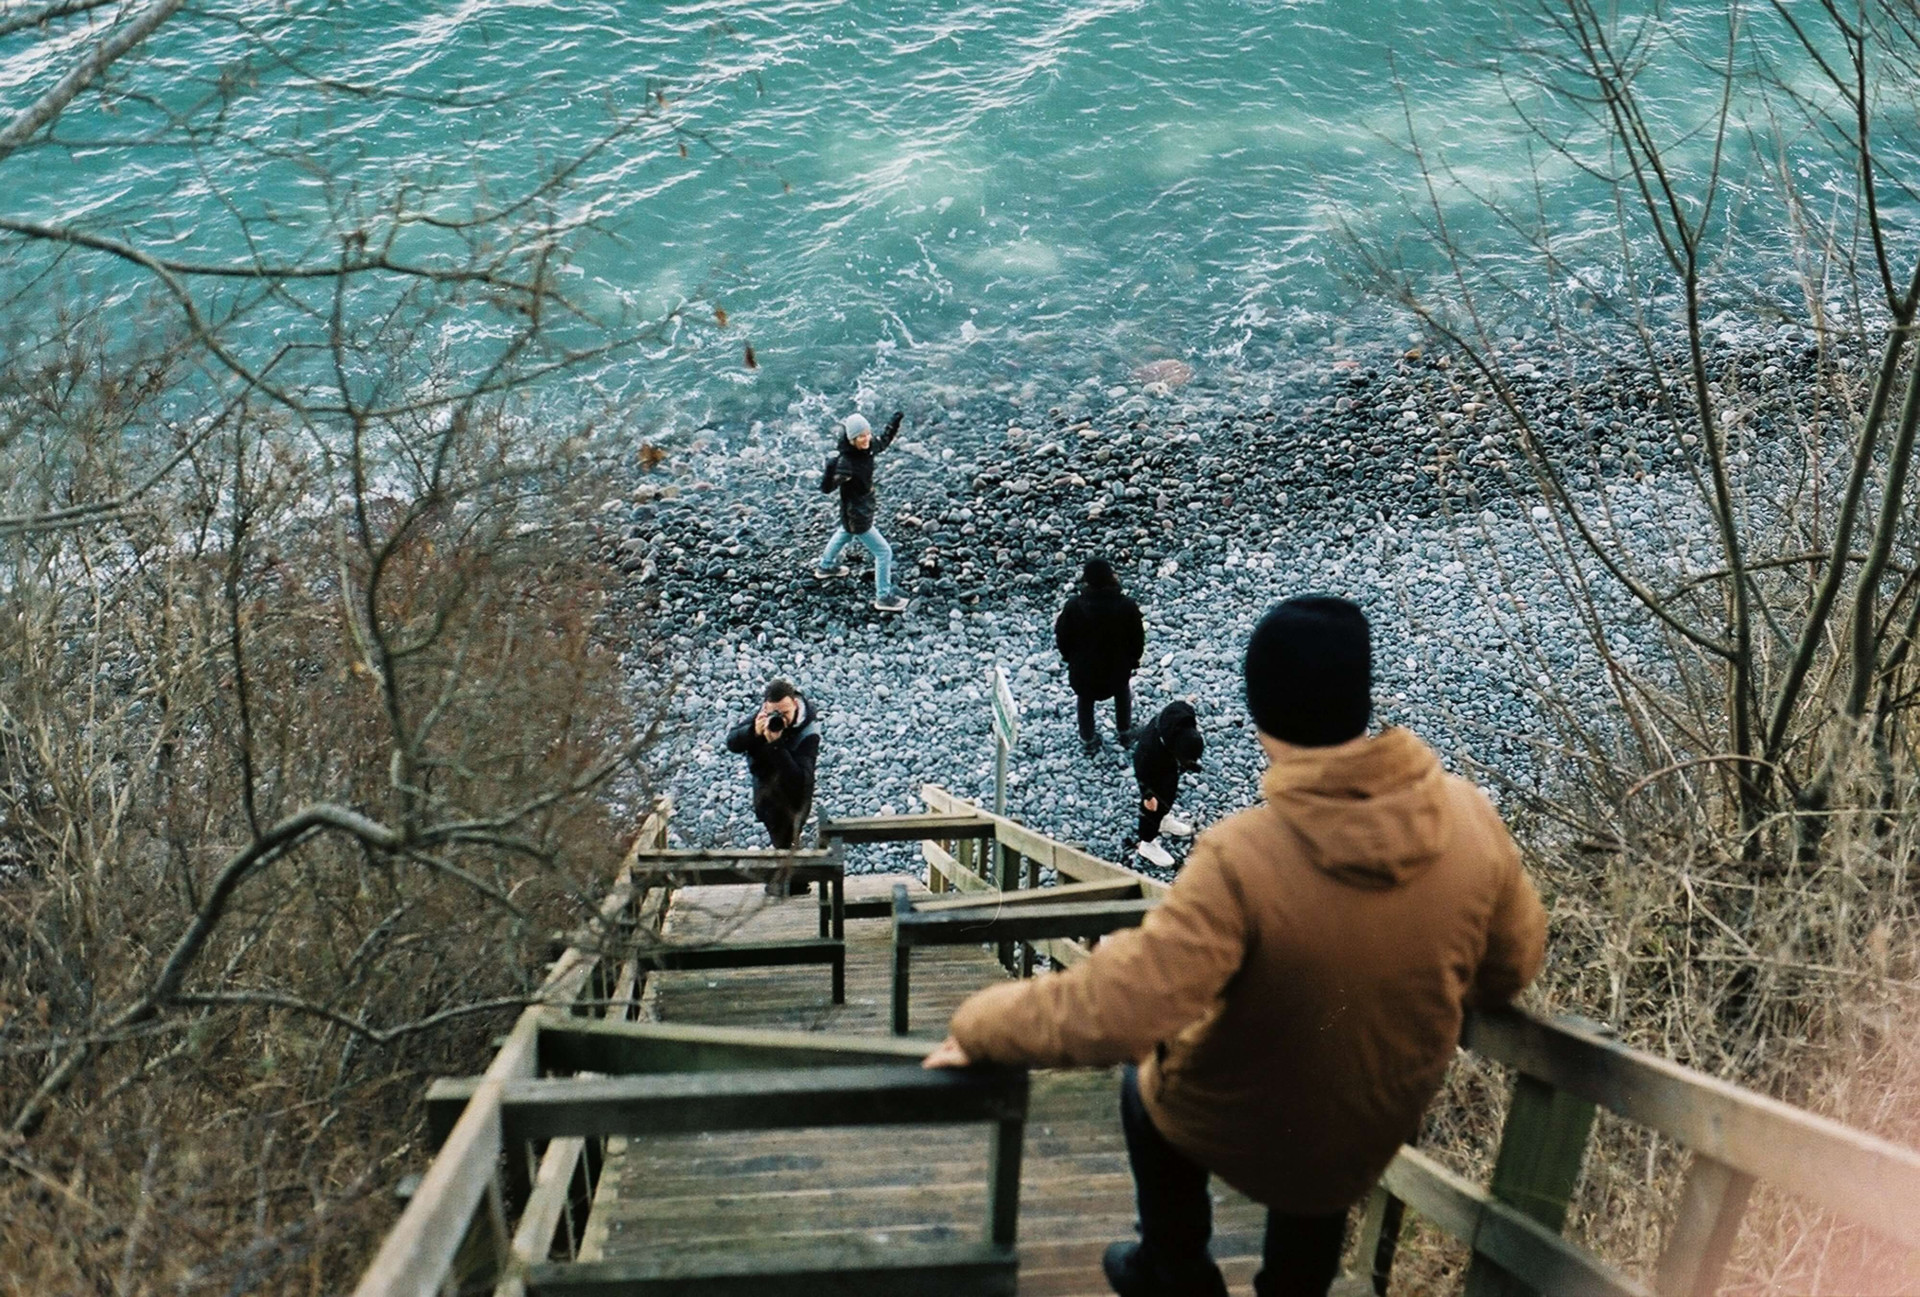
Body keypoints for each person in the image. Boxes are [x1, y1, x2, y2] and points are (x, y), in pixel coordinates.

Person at [925, 595, 1548, 1297]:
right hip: (1370, 1128)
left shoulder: (1248, 855)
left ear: (1260, 717)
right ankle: (1295, 1282)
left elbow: (1123, 1002)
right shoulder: (1469, 816)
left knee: (1144, 1082)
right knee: (1322, 1150)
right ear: (1361, 699)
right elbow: (1512, 965)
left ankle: (1175, 1263)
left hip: (1248, 1127)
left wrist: (982, 1026)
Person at [724, 679, 822, 884]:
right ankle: (793, 883)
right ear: (766, 707)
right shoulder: (763, 717)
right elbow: (732, 742)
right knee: (784, 844)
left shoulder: (809, 732)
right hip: (766, 791)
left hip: (795, 796)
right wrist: (753, 732)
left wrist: (776, 745)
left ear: (795, 704)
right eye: (774, 713)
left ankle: (791, 884)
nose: (780, 720)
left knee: (787, 841)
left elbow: (800, 779)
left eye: (785, 713)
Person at [818, 410, 908, 613]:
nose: (866, 439)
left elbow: (883, 442)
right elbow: (826, 489)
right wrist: (830, 468)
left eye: (867, 433)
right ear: (851, 439)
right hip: (857, 514)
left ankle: (825, 566)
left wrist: (894, 423)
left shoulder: (867, 448)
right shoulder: (846, 464)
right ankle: (883, 597)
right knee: (884, 552)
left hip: (859, 508)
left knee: (844, 533)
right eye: (861, 436)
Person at [1054, 559, 1146, 754]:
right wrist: (1134, 659)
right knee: (1122, 692)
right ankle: (1125, 732)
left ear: (1087, 580)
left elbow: (1062, 636)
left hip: (1083, 670)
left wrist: (1069, 658)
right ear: (1110, 577)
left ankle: (1087, 739)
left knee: (1085, 698)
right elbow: (1137, 637)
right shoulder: (1126, 605)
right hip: (1117, 669)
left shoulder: (1074, 606)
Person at [1129, 700, 1204, 869]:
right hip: (1151, 771)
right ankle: (1147, 844)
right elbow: (1141, 772)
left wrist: (1188, 762)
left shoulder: (1183, 716)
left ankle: (1163, 821)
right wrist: (1148, 795)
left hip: (1167, 761)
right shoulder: (1149, 749)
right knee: (1153, 806)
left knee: (1170, 790)